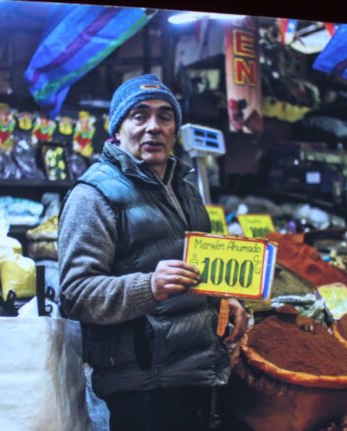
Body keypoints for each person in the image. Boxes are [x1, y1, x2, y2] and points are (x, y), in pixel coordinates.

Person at [58, 74, 247, 431]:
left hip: (195, 372)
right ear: (118, 129)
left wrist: (222, 298)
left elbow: (196, 269)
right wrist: (150, 286)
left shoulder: (185, 188)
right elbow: (76, 295)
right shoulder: (93, 195)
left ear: (175, 129)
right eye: (139, 115)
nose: (154, 127)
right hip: (143, 385)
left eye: (165, 116)